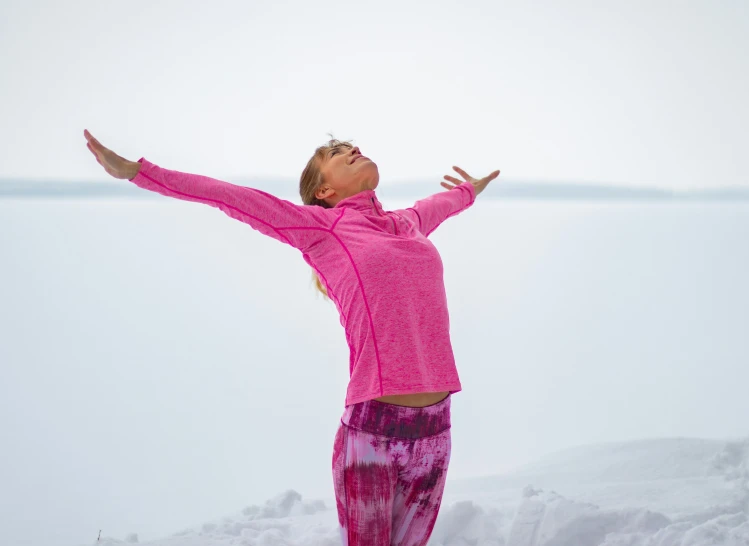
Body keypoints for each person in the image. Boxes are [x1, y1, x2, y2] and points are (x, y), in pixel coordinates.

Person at [83, 128, 500, 545]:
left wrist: (469, 189)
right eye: (337, 153)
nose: (354, 150)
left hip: (435, 430)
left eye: (353, 146)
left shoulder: (407, 223)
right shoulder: (322, 228)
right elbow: (230, 197)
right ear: (324, 190)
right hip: (373, 433)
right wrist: (139, 172)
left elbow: (440, 203)